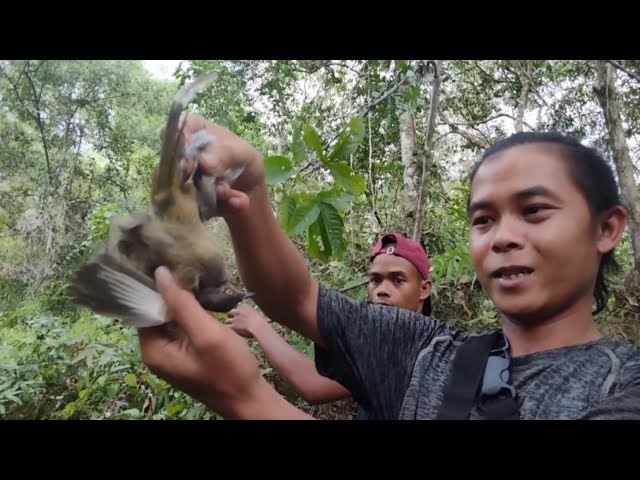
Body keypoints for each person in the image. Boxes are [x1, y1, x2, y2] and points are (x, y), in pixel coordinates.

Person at [137, 114, 640, 420]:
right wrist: (249, 191)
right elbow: (297, 298)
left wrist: (248, 399)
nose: (504, 236)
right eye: (484, 219)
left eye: (534, 211)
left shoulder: (622, 387)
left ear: (607, 228)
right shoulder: (426, 353)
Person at [224, 232, 433, 420]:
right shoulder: (377, 341)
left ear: (424, 289)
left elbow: (314, 384)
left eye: (398, 280)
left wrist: (258, 326)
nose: (382, 290)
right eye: (375, 280)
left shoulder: (427, 352)